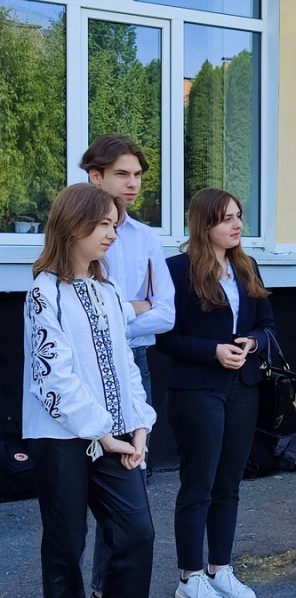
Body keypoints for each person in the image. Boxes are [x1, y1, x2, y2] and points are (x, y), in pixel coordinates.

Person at [23, 183, 156, 597]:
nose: (112, 234)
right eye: (103, 224)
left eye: (114, 225)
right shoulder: (44, 292)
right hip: (61, 439)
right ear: (72, 224)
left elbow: (125, 364)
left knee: (137, 532)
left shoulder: (109, 290)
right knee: (66, 545)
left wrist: (139, 425)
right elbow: (53, 378)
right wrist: (103, 432)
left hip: (116, 435)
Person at [156, 188, 275, 598]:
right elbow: (165, 337)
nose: (238, 224)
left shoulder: (247, 266)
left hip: (243, 387)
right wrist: (214, 351)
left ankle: (220, 568)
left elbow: (268, 325)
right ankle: (190, 577)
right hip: (196, 389)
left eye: (239, 215)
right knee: (198, 484)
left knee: (229, 483)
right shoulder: (176, 269)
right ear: (204, 223)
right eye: (227, 218)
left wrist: (253, 342)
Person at [80, 133, 175, 598]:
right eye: (122, 173)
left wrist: (113, 316)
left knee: (129, 475)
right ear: (95, 175)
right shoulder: (70, 229)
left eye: (137, 174)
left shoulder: (146, 237)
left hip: (133, 363)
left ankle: (107, 587)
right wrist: (134, 306)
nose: (133, 183)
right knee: (76, 485)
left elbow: (167, 313)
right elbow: (76, 314)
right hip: (80, 369)